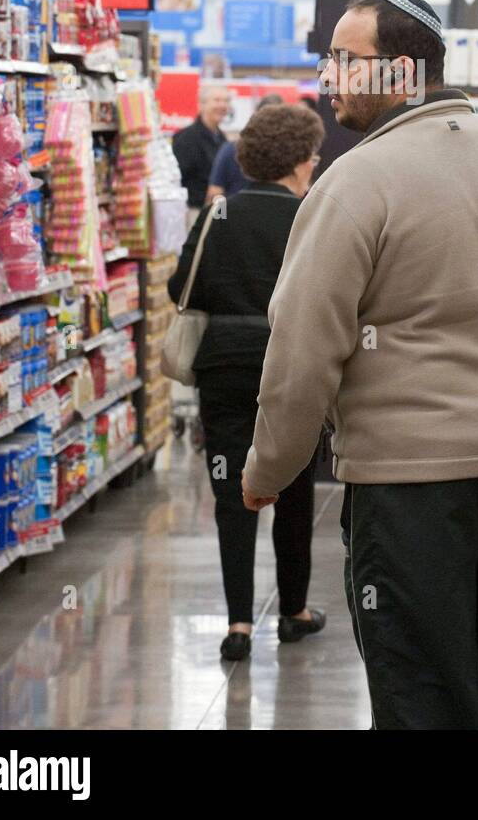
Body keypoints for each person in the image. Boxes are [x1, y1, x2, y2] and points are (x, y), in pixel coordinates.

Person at [241, 0, 478, 730]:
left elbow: (302, 350)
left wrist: (269, 469)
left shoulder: (353, 182)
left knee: (424, 692)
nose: (328, 75)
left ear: (399, 71)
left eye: (345, 59)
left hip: (409, 488)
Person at [168, 102, 327, 663]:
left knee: (230, 492)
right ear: (301, 160)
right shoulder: (311, 218)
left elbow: (180, 287)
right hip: (291, 368)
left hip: (224, 366)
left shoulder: (218, 214)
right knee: (295, 490)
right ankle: (293, 612)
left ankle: (237, 624)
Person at [207, 93, 284, 204]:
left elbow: (215, 193)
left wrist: (221, 214)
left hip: (234, 211)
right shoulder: (287, 154)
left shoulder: (230, 149)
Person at [171, 85, 232, 220]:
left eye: (226, 101)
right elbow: (176, 180)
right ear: (202, 105)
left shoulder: (222, 139)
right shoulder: (186, 138)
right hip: (194, 212)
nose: (222, 105)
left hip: (216, 213)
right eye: (217, 100)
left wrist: (221, 215)